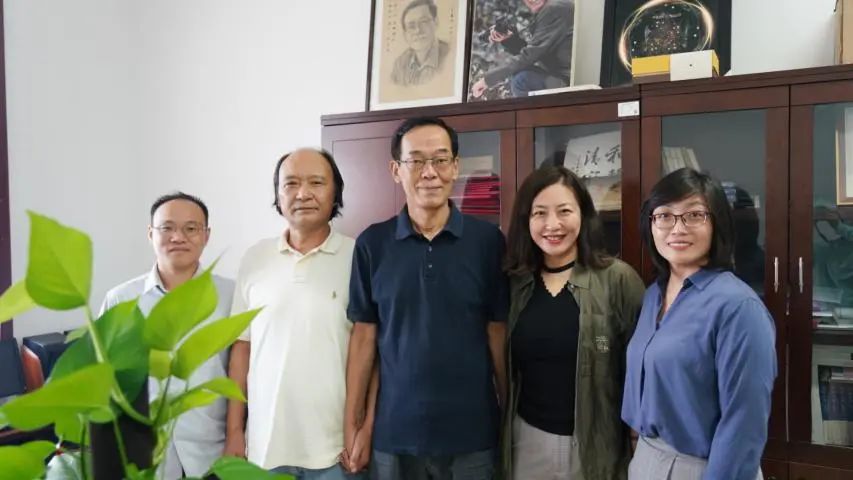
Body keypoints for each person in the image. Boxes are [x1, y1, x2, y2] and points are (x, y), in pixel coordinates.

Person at [344, 116, 508, 480]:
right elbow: (364, 338)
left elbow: (497, 333)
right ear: (396, 170)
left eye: (440, 160)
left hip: (472, 433)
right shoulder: (372, 244)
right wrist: (353, 425)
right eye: (416, 161)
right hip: (394, 434)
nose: (429, 172)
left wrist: (508, 414)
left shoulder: (487, 242)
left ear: (455, 166)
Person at [622, 168, 777, 480]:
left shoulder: (738, 307)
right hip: (646, 459)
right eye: (664, 216)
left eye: (694, 215)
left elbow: (744, 425)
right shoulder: (653, 295)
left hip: (702, 467)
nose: (677, 228)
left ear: (717, 223)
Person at [224, 148, 363, 479]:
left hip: (336, 451)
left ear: (335, 192)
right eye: (291, 184)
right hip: (265, 448)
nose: (303, 193)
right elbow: (241, 348)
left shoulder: (358, 256)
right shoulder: (255, 258)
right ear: (278, 195)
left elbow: (369, 352)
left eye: (316, 182)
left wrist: (361, 429)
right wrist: (234, 431)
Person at [501, 166, 644, 479]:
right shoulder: (514, 283)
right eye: (540, 213)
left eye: (564, 211)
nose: (552, 224)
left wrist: (636, 440)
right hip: (527, 441)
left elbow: (641, 372)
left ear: (583, 214)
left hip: (598, 447)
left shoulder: (619, 280)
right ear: (526, 220)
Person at [100, 192, 233, 479]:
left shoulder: (231, 296)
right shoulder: (120, 300)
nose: (178, 237)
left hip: (213, 450)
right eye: (167, 227)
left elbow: (243, 373)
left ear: (206, 235)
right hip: (143, 456)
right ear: (151, 234)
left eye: (191, 228)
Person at [471, 0, 574, 98]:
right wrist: (509, 40)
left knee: (522, 80)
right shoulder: (550, 9)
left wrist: (488, 80)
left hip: (570, 80)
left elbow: (529, 56)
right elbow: (536, 53)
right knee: (519, 74)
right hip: (563, 76)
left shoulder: (553, 9)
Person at [391, 0, 450, 87]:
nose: (417, 30)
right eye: (411, 26)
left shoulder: (449, 55)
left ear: (436, 22)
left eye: (423, 22)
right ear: (405, 34)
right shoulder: (399, 65)